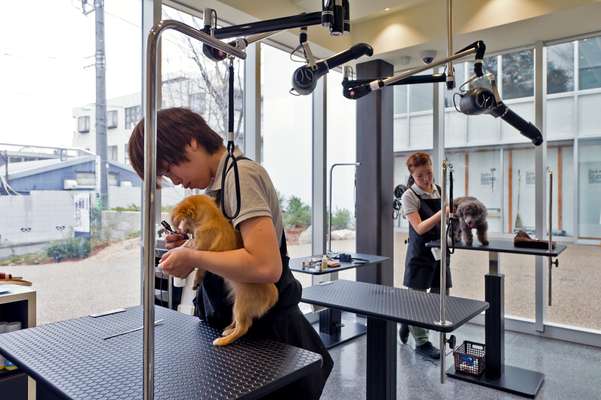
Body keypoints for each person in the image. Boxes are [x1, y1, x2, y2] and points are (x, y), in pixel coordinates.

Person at [128, 107, 333, 399]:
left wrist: (195, 258)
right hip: (236, 328)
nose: (175, 181)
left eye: (169, 169)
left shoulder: (241, 176)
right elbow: (235, 248)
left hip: (265, 336)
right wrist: (191, 244)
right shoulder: (218, 184)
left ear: (191, 141)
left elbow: (264, 266)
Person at [398, 152, 451, 359]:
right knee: (417, 300)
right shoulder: (409, 196)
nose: (427, 179)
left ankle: (408, 321)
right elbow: (419, 227)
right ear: (413, 175)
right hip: (420, 253)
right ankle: (422, 343)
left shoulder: (438, 190)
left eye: (429, 173)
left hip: (439, 252)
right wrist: (442, 213)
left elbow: (447, 220)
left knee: (440, 294)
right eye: (420, 176)